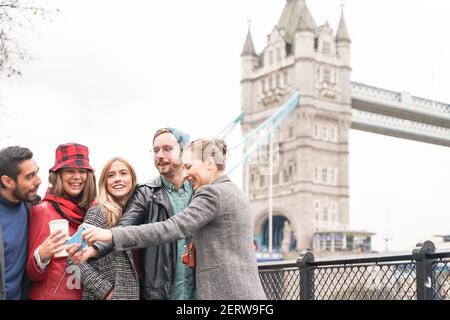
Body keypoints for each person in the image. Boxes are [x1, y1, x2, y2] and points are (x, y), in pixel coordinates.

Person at [82, 138, 267, 300]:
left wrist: (110, 235)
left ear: (209, 162)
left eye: (188, 166)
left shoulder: (210, 193)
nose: (185, 174)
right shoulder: (237, 192)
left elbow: (168, 229)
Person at [70, 127, 196, 300]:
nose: (159, 155)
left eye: (167, 149)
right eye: (156, 150)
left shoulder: (201, 191)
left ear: (183, 152)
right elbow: (123, 228)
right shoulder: (144, 195)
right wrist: (95, 253)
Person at [26, 143, 96, 300]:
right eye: (69, 171)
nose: (77, 176)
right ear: (58, 175)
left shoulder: (96, 210)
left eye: (82, 171)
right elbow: (31, 272)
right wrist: (42, 255)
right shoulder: (42, 210)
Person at [76, 157, 140, 300]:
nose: (117, 179)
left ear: (132, 179)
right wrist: (106, 291)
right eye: (111, 175)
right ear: (105, 183)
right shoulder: (98, 212)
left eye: (123, 173)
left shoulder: (138, 214)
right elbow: (72, 257)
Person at [0, 146, 42, 300]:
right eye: (30, 176)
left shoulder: (33, 206)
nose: (39, 181)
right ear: (7, 181)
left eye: (37, 172)